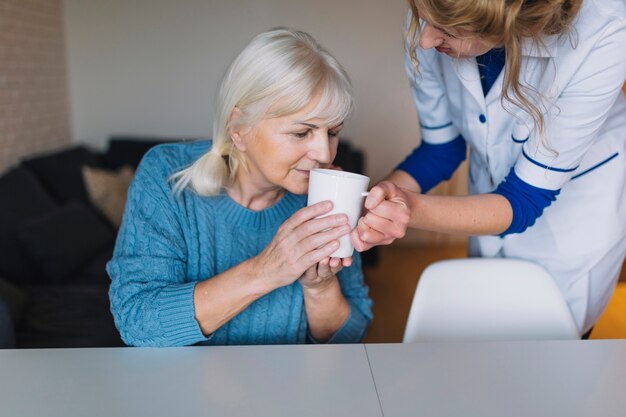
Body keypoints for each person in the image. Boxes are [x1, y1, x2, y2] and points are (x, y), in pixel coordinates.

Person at [352, 0, 626, 337]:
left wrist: (405, 210)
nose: (425, 40)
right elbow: (441, 150)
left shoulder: (606, 26)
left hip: (571, 220)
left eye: (449, 30)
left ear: (504, 17)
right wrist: (373, 202)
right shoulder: (432, 12)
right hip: (491, 205)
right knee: (486, 340)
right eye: (424, 20)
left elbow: (523, 199)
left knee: (552, 354)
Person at [107, 28, 372, 347]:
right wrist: (266, 270)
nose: (325, 154)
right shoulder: (166, 174)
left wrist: (319, 288)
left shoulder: (327, 195)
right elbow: (138, 322)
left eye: (332, 132)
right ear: (238, 129)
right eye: (302, 133)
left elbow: (352, 338)